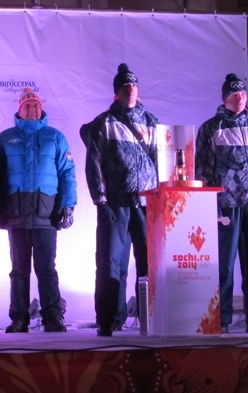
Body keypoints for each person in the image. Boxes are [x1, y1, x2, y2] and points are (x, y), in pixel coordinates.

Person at [195, 73, 248, 334]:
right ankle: (221, 319)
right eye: (235, 93)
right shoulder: (212, 128)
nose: (240, 96)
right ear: (225, 98)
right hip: (226, 207)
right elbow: (203, 170)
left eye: (243, 92)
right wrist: (209, 205)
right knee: (224, 265)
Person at [80, 63, 158, 337]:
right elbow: (93, 163)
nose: (131, 88)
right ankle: (109, 319)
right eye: (126, 85)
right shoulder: (104, 122)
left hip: (147, 203)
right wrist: (100, 199)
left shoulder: (151, 121)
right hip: (114, 203)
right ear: (117, 92)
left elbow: (161, 160)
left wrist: (161, 198)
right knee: (111, 263)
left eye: (134, 84)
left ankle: (152, 317)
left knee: (149, 264)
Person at [0, 87, 77, 333]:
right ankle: (19, 318)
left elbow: (67, 173)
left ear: (41, 109)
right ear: (19, 109)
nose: (32, 109)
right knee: (19, 271)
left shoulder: (56, 137)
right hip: (16, 214)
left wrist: (68, 205)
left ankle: (52, 317)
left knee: (46, 269)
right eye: (27, 106)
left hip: (46, 214)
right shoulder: (5, 138)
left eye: (36, 106)